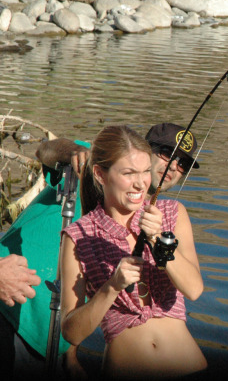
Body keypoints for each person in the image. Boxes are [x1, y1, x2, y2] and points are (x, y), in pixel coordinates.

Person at [0, 122, 200, 380]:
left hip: (45, 335)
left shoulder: (163, 218)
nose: (173, 166)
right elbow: (46, 150)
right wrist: (72, 151)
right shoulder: (95, 161)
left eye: (182, 163)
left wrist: (70, 353)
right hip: (7, 294)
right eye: (166, 153)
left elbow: (83, 292)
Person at [60, 125, 207, 380]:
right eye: (128, 173)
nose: (140, 183)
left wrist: (158, 239)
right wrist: (112, 286)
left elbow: (194, 290)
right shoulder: (78, 236)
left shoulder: (173, 213)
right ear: (100, 174)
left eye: (144, 173)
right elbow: (71, 332)